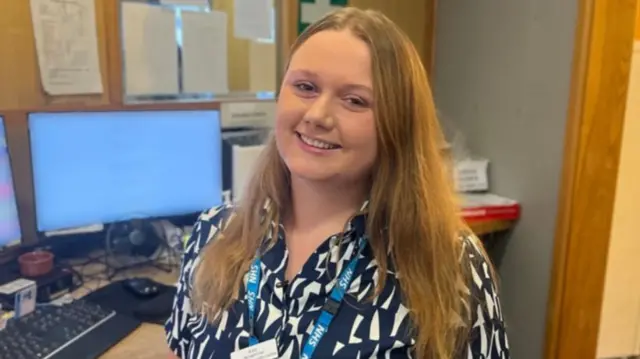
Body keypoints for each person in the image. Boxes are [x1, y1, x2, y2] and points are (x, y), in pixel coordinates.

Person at [165, 7, 509, 359]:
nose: (317, 115)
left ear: (397, 124)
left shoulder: (450, 264)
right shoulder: (214, 233)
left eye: (355, 100)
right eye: (305, 87)